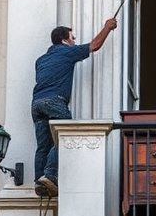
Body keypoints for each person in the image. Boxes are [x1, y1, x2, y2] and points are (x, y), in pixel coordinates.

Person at [31, 18, 118, 197]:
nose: (74, 42)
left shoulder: (41, 60)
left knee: (43, 145)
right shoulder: (67, 52)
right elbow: (94, 46)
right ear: (64, 40)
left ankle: (39, 183)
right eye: (73, 38)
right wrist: (107, 28)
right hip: (55, 101)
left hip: (36, 103)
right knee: (64, 136)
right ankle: (50, 175)